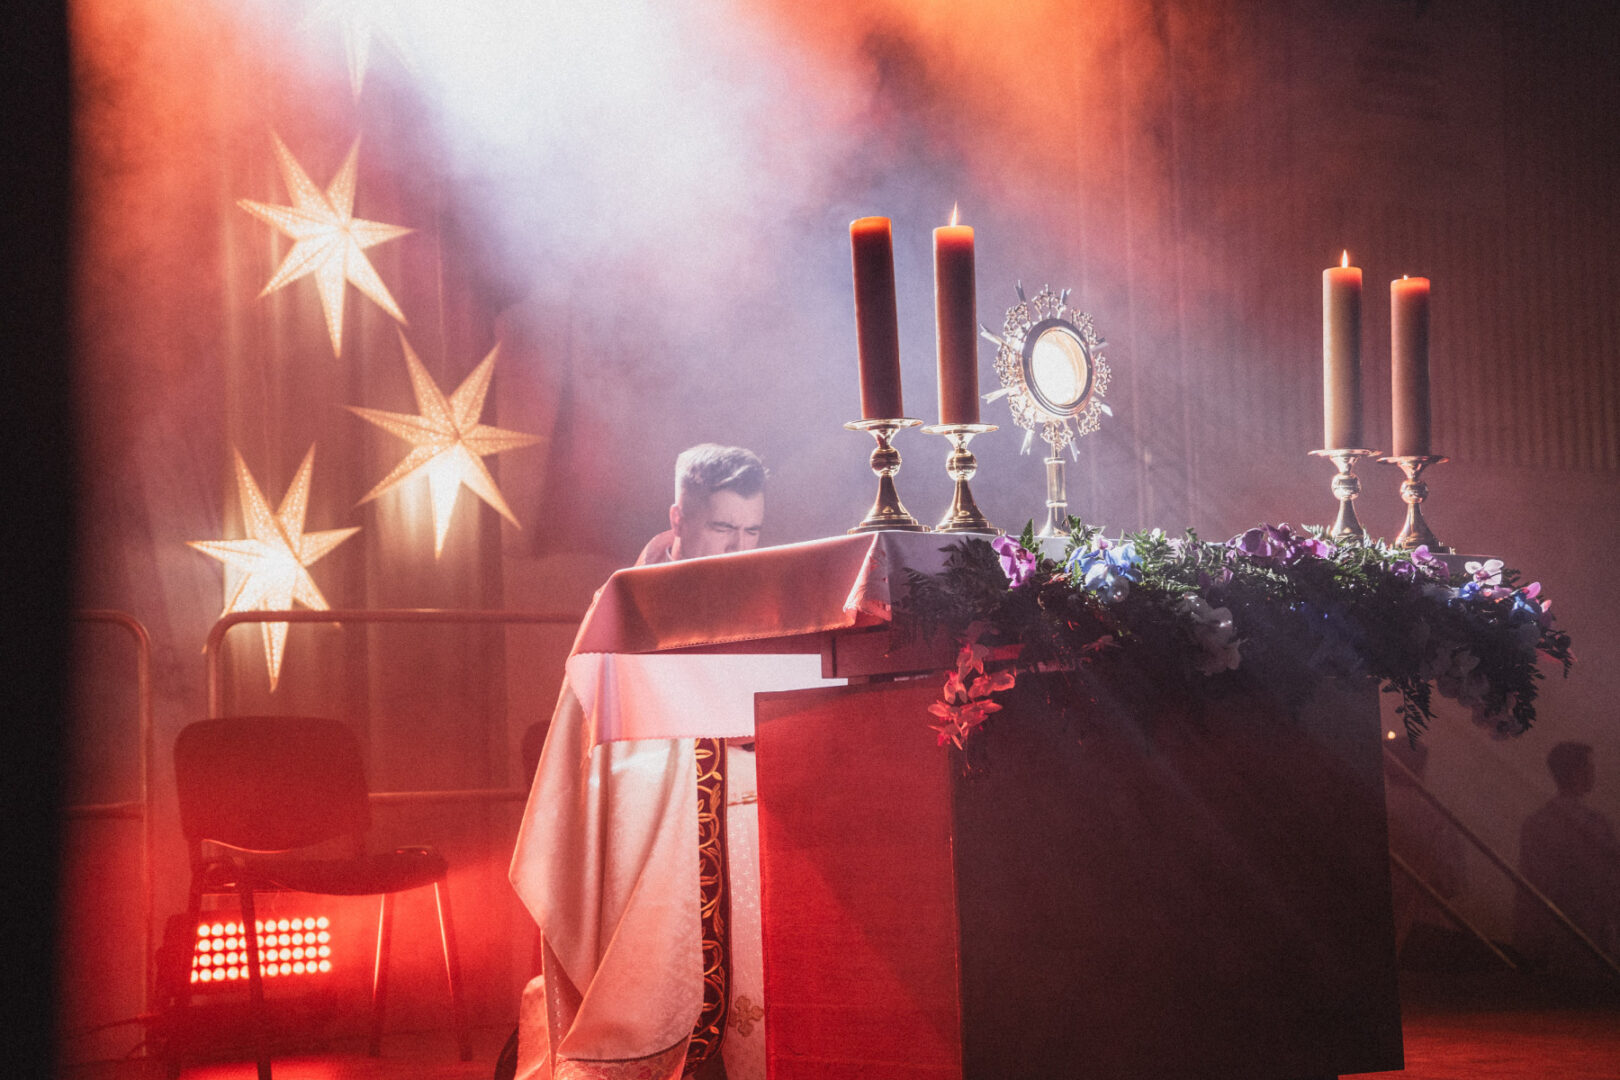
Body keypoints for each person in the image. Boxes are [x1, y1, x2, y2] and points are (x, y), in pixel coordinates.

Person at [1513, 741, 1620, 976]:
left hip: (1551, 933)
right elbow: (1612, 885)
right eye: (1590, 767)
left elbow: (1529, 887)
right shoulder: (1597, 825)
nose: (1594, 773)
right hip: (1594, 933)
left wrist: (1526, 941)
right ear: (1576, 772)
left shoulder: (1535, 824)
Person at [635, 444, 766, 565]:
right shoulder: (634, 583)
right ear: (678, 521)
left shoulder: (769, 581)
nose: (740, 549)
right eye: (722, 529)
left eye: (751, 532)